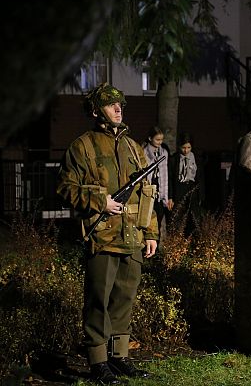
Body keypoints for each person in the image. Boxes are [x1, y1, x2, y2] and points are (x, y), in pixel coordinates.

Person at [56, 83, 157, 383]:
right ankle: (98, 362)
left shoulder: (133, 147)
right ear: (96, 111)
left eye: (120, 104)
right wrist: (100, 200)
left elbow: (146, 193)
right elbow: (64, 187)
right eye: (111, 105)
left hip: (132, 238)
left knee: (124, 299)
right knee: (98, 300)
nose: (118, 109)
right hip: (101, 237)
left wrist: (150, 232)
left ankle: (119, 358)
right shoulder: (82, 147)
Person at [168, 132, 201, 234]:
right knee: (178, 218)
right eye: (183, 147)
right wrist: (170, 197)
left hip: (192, 190)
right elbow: (170, 178)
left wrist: (200, 196)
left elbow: (200, 178)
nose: (186, 150)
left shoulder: (197, 158)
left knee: (193, 219)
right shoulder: (174, 159)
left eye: (188, 147)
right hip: (179, 190)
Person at [142, 126, 172, 237]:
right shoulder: (144, 152)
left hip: (160, 191)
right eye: (157, 140)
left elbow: (166, 174)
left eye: (161, 140)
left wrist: (166, 196)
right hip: (149, 189)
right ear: (150, 138)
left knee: (158, 220)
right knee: (147, 220)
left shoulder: (164, 152)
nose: (160, 142)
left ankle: (156, 247)